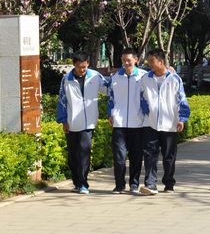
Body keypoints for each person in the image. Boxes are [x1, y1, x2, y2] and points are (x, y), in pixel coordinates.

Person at [139, 48, 190, 195]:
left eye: (152, 61)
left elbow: (182, 100)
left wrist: (182, 119)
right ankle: (150, 184)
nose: (149, 64)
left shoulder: (174, 79)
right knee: (149, 154)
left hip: (169, 124)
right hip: (150, 123)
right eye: (148, 61)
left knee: (169, 156)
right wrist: (147, 111)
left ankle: (169, 183)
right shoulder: (145, 78)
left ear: (161, 62)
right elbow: (141, 97)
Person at [57, 52, 108, 195]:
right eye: (80, 67)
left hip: (89, 123)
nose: (82, 70)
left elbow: (109, 89)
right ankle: (77, 183)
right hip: (72, 122)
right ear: (74, 65)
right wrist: (63, 120)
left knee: (85, 153)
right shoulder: (66, 79)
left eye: (85, 67)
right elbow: (62, 100)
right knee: (73, 156)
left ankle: (84, 183)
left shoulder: (95, 76)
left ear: (88, 64)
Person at [107, 48, 147, 194]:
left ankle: (134, 184)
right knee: (119, 157)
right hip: (119, 123)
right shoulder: (115, 77)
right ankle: (119, 185)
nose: (126, 63)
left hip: (138, 123)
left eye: (128, 60)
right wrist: (110, 114)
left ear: (136, 60)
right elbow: (110, 98)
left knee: (136, 157)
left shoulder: (144, 76)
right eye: (123, 60)